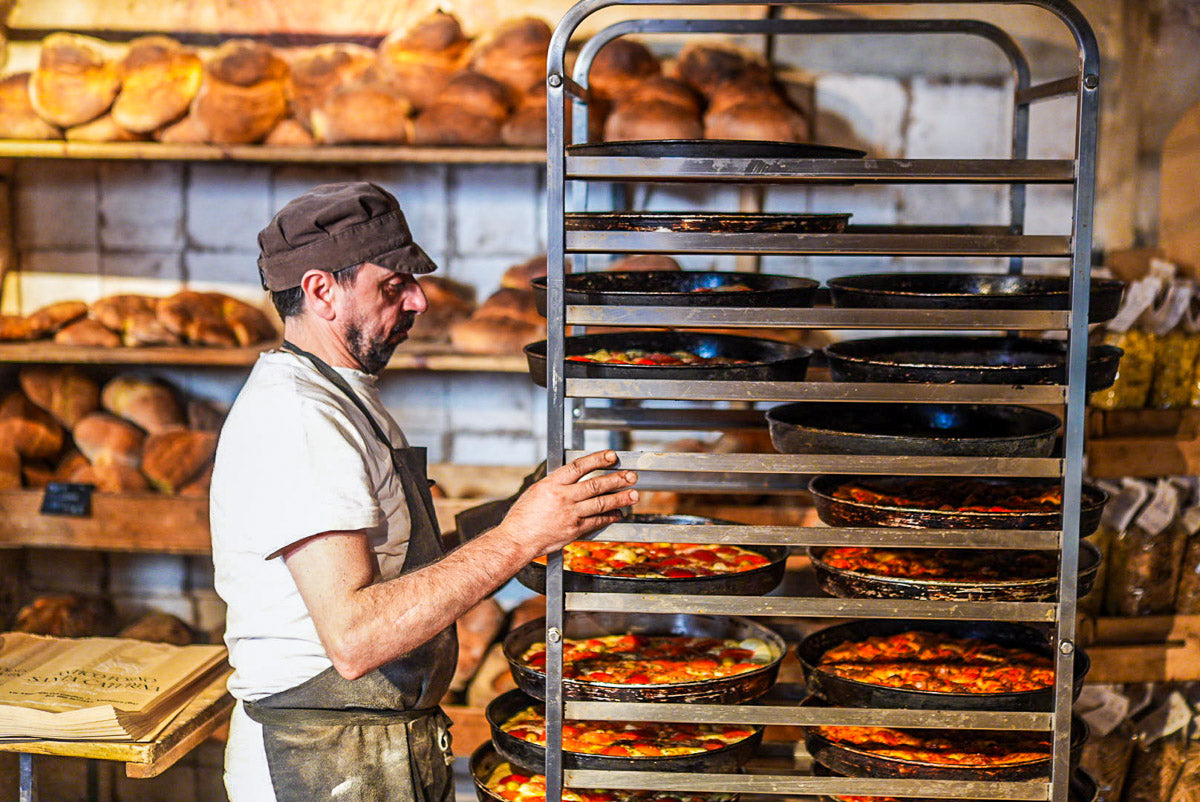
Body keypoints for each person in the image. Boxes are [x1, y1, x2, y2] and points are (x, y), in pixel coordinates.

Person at [209, 181, 638, 802]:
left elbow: (396, 567)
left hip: (365, 749)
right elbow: (354, 637)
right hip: (317, 764)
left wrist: (524, 513)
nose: (420, 300)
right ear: (321, 291)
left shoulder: (340, 396)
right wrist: (519, 538)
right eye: (393, 285)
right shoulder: (301, 418)